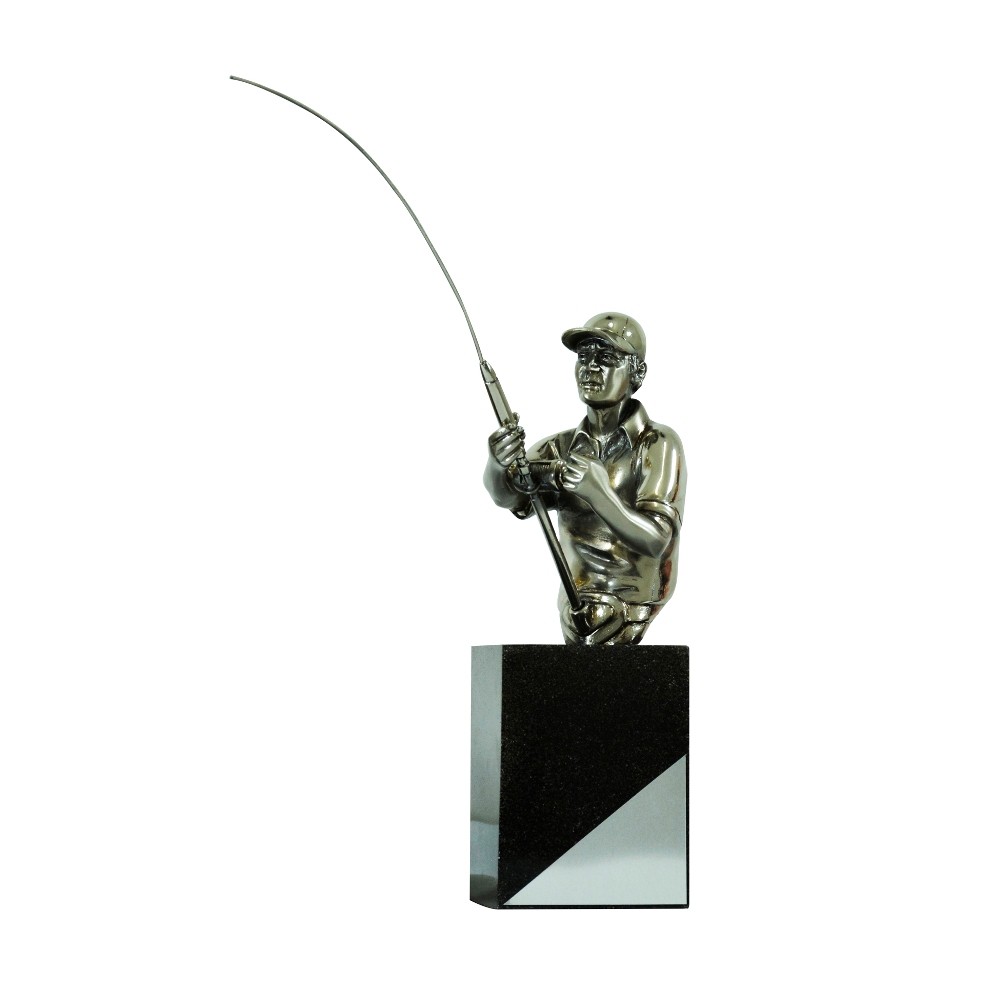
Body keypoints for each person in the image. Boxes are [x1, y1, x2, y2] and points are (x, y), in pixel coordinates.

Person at [484, 313, 686, 645]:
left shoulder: (657, 444)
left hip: (632, 610)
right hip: (577, 608)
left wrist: (599, 494)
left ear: (637, 372)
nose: (590, 368)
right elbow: (513, 497)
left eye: (606, 358)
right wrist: (497, 466)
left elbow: (656, 540)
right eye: (583, 357)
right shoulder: (558, 447)